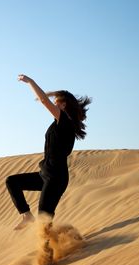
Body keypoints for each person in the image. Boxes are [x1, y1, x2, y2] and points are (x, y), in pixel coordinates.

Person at [6, 74, 91, 230]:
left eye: (56, 101)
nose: (53, 103)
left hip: (56, 177)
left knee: (44, 219)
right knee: (12, 181)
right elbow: (46, 99)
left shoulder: (65, 122)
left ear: (64, 105)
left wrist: (30, 82)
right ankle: (27, 216)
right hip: (45, 174)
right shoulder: (58, 123)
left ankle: (49, 250)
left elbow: (44, 100)